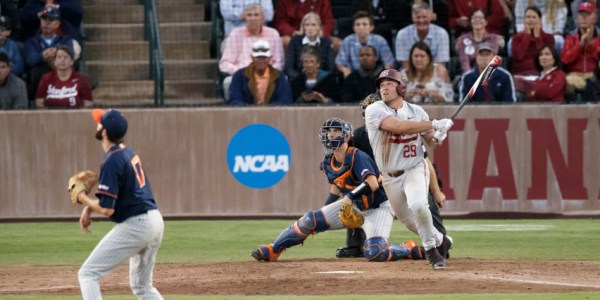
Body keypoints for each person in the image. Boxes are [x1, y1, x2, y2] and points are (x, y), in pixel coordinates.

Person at [251, 118, 426, 263]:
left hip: (378, 207)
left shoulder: (357, 156)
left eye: (336, 131)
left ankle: (407, 249)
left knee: (375, 252)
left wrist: (349, 197)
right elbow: (337, 186)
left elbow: (372, 183)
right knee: (309, 220)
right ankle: (273, 249)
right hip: (354, 205)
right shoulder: (328, 161)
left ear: (347, 136)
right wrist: (323, 213)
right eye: (329, 131)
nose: (332, 134)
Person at [335, 94, 451, 258]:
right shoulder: (360, 135)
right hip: (380, 179)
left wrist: (436, 190)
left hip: (412, 173)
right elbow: (353, 162)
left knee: (424, 204)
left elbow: (425, 161)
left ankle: (441, 244)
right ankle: (354, 245)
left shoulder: (402, 131)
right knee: (356, 198)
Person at [364, 68, 454, 269]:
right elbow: (398, 126)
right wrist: (434, 123)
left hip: (414, 168)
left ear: (401, 87)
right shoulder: (374, 109)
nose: (384, 88)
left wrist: (438, 135)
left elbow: (431, 141)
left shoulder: (416, 111)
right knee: (409, 221)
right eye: (381, 85)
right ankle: (441, 241)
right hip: (389, 176)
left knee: (419, 205)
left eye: (389, 83)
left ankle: (431, 250)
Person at [76, 108, 164, 299]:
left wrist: (83, 196)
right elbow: (118, 195)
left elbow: (108, 209)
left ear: (105, 132)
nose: (97, 124)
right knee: (142, 287)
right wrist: (89, 207)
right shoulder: (126, 152)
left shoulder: (112, 160)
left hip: (138, 224)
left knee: (88, 274)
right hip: (155, 220)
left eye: (100, 122)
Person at [218, 4, 284, 101]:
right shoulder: (235, 34)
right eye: (249, 15)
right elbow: (225, 63)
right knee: (228, 82)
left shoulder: (273, 34)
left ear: (263, 18)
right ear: (244, 18)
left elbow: (279, 62)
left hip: (268, 74)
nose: (252, 18)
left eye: (256, 15)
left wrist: (268, 73)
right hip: (242, 75)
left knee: (283, 80)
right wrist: (242, 73)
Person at [23, 6, 74, 100]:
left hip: (62, 75)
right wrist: (42, 56)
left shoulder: (65, 40)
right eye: (44, 19)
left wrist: (55, 56)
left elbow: (70, 56)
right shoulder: (32, 41)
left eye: (50, 20)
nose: (46, 23)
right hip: (39, 78)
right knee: (37, 71)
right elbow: (30, 60)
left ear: (58, 24)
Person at [227, 40, 293, 105]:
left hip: (273, 114)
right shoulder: (239, 76)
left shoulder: (279, 76)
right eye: (258, 57)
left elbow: (285, 100)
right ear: (252, 57)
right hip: (245, 115)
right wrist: (253, 110)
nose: (261, 61)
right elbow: (234, 100)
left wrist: (267, 109)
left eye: (264, 57)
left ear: (270, 58)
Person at [510, 6, 555, 99]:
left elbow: (544, 59)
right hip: (521, 76)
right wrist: (527, 36)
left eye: (533, 17)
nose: (530, 20)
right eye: (528, 17)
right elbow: (518, 56)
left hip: (540, 76)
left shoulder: (548, 38)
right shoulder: (517, 38)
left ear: (540, 20)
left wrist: (538, 38)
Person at [335, 10, 395, 78]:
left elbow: (389, 62)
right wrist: (345, 70)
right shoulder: (347, 41)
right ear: (353, 28)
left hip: (375, 76)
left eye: (364, 24)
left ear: (371, 27)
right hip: (354, 76)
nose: (361, 27)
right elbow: (340, 62)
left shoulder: (380, 40)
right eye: (357, 25)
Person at [395, 2, 450, 70]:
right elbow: (405, 63)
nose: (421, 20)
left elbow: (441, 64)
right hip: (409, 72)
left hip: (434, 72)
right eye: (418, 17)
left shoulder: (442, 34)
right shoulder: (402, 34)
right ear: (413, 18)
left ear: (430, 17)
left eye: (424, 17)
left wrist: (426, 78)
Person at [561, 2, 600, 97]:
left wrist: (591, 43)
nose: (584, 18)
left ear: (594, 18)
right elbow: (565, 60)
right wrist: (580, 45)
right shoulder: (571, 37)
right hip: (575, 76)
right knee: (566, 80)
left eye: (587, 15)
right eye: (581, 15)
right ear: (577, 18)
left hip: (594, 75)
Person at [284, 12, 335, 80]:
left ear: (319, 27)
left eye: (313, 25)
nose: (310, 28)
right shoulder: (295, 41)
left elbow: (330, 68)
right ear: (303, 27)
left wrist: (318, 79)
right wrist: (301, 78)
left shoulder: (326, 42)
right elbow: (289, 67)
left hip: (321, 80)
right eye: (307, 25)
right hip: (299, 79)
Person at [455, 9, 506, 73]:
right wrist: (470, 76)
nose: (477, 20)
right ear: (470, 21)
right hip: (469, 74)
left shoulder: (493, 38)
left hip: (488, 74)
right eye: (474, 18)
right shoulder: (463, 39)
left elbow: (491, 60)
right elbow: (464, 62)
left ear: (486, 21)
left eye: (480, 18)